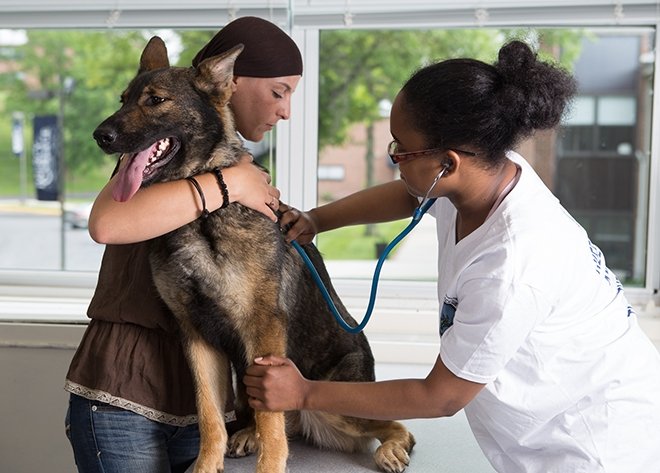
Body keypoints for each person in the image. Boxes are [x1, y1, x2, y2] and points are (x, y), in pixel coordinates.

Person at [243, 40, 660, 473]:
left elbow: (440, 397)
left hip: (595, 448)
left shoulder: (511, 265)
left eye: (401, 150)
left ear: (448, 163)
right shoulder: (486, 170)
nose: (395, 159)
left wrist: (303, 393)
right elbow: (409, 195)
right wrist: (317, 219)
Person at [64, 16, 302, 473]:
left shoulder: (233, 166)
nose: (285, 110)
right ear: (230, 81)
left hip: (204, 412)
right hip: (126, 394)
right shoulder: (150, 160)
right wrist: (231, 184)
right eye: (279, 92)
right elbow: (107, 224)